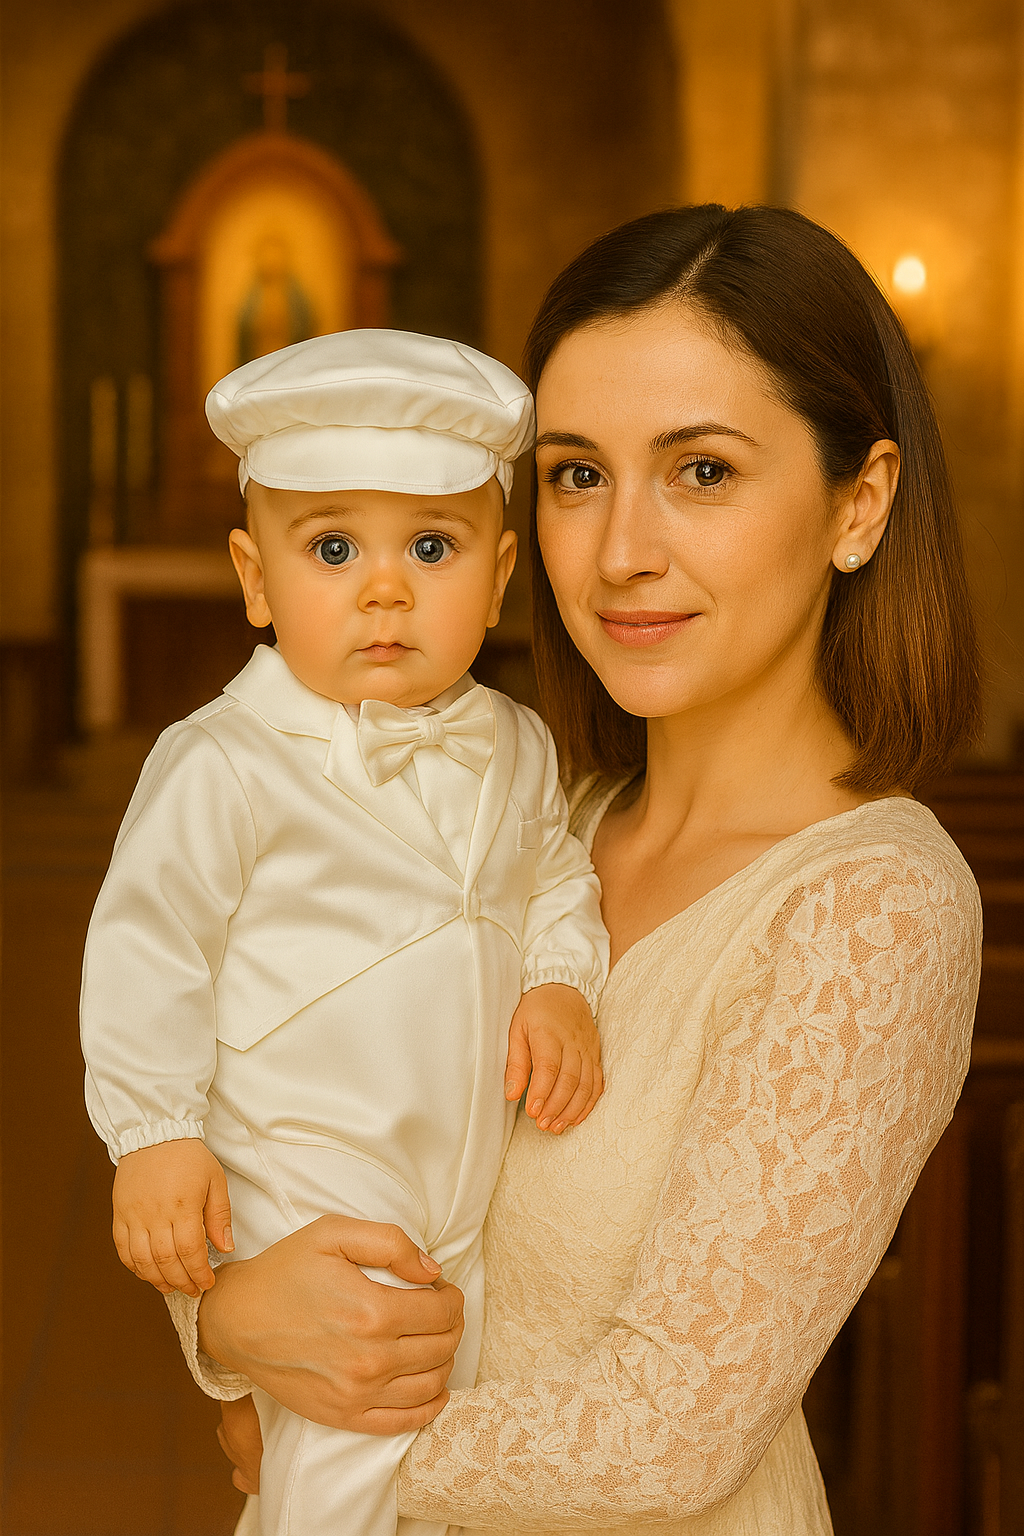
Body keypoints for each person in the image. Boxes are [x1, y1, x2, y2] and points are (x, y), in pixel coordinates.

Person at [183, 206, 983, 1536]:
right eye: (573, 475)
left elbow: (668, 1432)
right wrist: (221, 1316)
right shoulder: (532, 814)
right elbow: (282, 1100)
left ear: (863, 501)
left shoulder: (874, 908)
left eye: (704, 472)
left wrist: (316, 1446)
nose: (620, 553)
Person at [79, 330, 609, 1536]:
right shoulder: (220, 760)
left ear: (502, 571)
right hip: (313, 1181)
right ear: (254, 579)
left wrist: (562, 982)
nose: (385, 589)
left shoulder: (519, 744)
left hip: (469, 1196)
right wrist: (154, 1131)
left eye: (432, 546)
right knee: (346, 1455)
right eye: (331, 548)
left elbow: (557, 876)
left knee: (445, 1452)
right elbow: (150, 944)